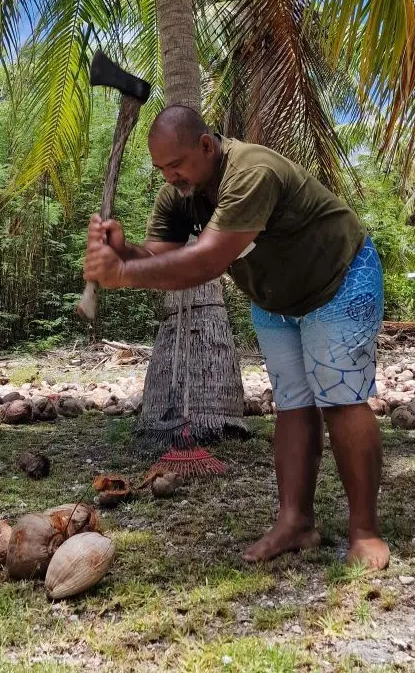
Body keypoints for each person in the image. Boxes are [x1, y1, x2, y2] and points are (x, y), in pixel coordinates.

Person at [83, 105, 389, 570]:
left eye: (177, 164)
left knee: (341, 401)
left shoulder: (251, 172)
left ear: (207, 145)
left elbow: (207, 261)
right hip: (275, 298)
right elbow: (157, 253)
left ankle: (364, 531)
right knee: (293, 404)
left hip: (340, 277)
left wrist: (123, 273)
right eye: (161, 168)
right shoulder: (179, 193)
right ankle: (296, 523)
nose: (170, 177)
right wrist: (123, 249)